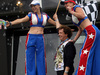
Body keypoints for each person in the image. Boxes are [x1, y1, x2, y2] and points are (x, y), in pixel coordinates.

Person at [6, 0, 56, 75]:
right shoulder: (31, 15)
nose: (33, 7)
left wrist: (59, 21)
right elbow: (21, 20)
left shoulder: (45, 15)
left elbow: (56, 24)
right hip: (31, 37)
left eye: (35, 5)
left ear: (39, 6)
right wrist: (10, 23)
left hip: (40, 38)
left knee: (41, 58)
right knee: (30, 58)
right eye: (32, 6)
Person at [53, 0, 100, 75]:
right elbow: (80, 29)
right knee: (92, 53)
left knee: (84, 53)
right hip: (90, 31)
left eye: (66, 3)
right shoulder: (74, 11)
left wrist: (71, 12)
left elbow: (82, 16)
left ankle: (82, 73)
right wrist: (74, 40)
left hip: (91, 31)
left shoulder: (76, 7)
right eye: (64, 4)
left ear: (72, 3)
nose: (65, 5)